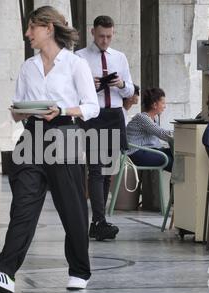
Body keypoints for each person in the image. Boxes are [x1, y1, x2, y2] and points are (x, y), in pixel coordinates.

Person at [0, 6, 99, 293]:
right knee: (23, 207)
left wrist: (62, 109)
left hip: (64, 135)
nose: (27, 33)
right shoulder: (28, 67)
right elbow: (18, 104)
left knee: (72, 210)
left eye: (32, 27)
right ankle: (4, 271)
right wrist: (18, 113)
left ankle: (80, 270)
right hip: (31, 138)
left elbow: (92, 108)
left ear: (49, 28)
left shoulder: (75, 64)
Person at [76, 15, 135, 241]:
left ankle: (98, 221)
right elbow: (72, 91)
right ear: (93, 33)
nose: (105, 40)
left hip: (114, 115)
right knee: (96, 169)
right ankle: (99, 220)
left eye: (109, 36)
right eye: (101, 36)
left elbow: (130, 90)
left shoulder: (120, 58)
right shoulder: (79, 58)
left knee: (108, 170)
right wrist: (91, 85)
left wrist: (120, 84)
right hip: (93, 116)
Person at [126, 88, 173, 172]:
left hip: (148, 150)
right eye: (163, 103)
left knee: (178, 156)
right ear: (154, 105)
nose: (165, 106)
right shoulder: (142, 118)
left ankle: (175, 184)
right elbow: (161, 133)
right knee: (170, 161)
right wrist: (181, 134)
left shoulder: (155, 118)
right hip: (135, 153)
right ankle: (178, 184)